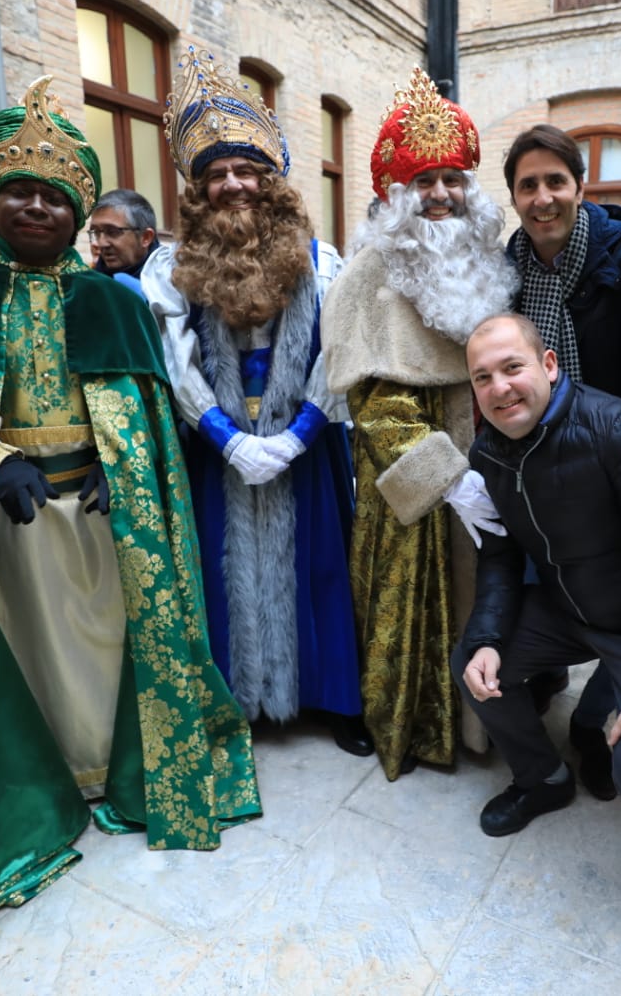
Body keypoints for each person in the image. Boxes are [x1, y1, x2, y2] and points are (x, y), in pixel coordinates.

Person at [0, 75, 260, 973]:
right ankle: (34, 792)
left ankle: (111, 770)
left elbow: (147, 422)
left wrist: (131, 474)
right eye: (20, 193)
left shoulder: (115, 302)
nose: (37, 206)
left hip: (95, 508)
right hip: (3, 525)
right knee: (31, 645)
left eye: (55, 195)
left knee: (106, 642)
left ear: (80, 209)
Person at [452, 314, 621, 907]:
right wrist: (491, 637)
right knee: (474, 666)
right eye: (483, 377)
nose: (499, 388)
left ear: (549, 365)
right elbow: (499, 556)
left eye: (512, 368)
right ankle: (543, 779)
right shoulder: (489, 451)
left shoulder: (618, 431)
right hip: (564, 610)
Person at [140, 48, 366, 753]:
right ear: (196, 188)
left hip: (309, 434)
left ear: (272, 179)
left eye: (247, 171)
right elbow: (175, 363)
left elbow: (340, 352)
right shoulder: (170, 268)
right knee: (221, 571)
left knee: (322, 567)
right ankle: (232, 698)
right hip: (218, 445)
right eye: (217, 175)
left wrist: (298, 435)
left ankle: (333, 698)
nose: (234, 185)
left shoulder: (323, 260)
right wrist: (227, 436)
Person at [322, 68, 517, 779]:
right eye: (423, 181)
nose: (440, 195)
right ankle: (426, 727)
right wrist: (450, 481)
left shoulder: (486, 260)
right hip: (411, 483)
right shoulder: (368, 274)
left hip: (490, 456)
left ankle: (487, 719)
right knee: (418, 609)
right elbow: (374, 406)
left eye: (453, 179)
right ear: (394, 195)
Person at [503, 124, 621, 777]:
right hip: (544, 452)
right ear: (514, 196)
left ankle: (592, 721)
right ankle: (546, 672)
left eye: (555, 182)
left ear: (580, 187)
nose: (543, 197)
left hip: (620, 447)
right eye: (528, 185)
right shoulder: (510, 265)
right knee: (549, 568)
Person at [88, 187, 162, 284]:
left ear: (146, 237)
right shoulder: (89, 282)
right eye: (96, 232)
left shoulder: (171, 283)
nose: (101, 243)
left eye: (112, 232)